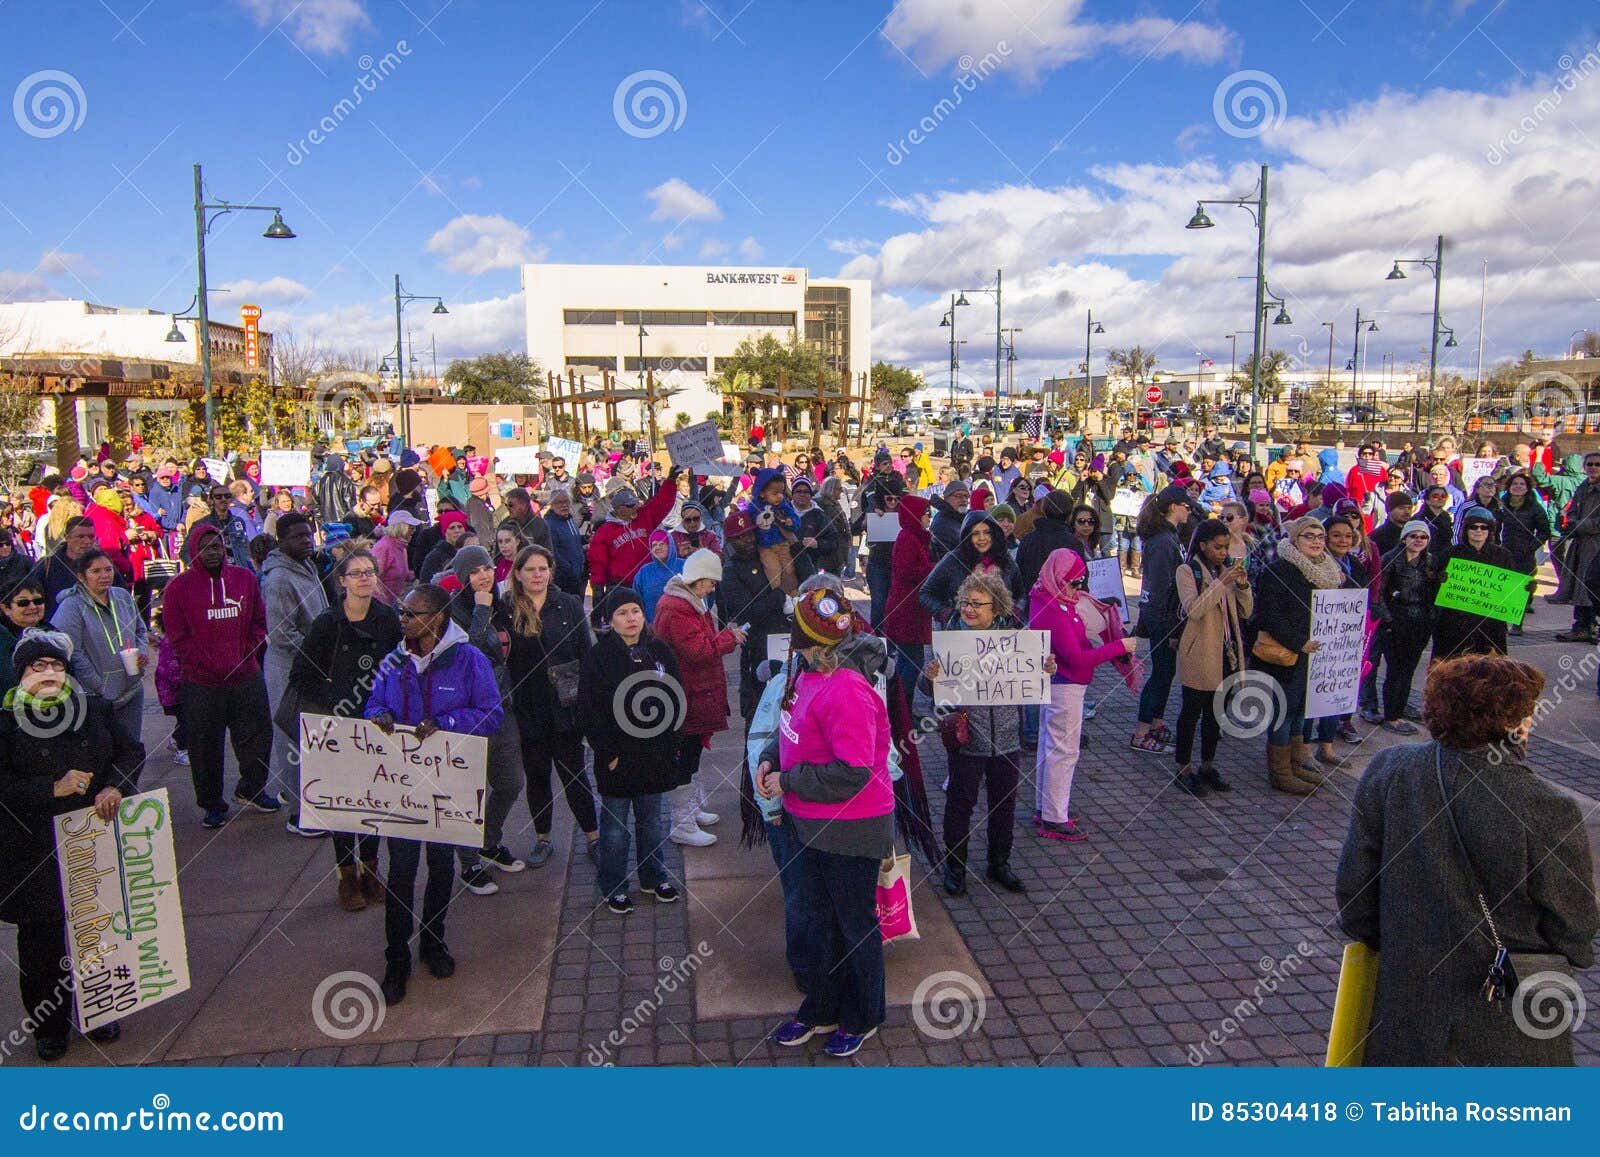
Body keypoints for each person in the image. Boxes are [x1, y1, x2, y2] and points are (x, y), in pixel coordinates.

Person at [1336, 654, 1599, 1065]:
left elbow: (1355, 901)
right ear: (1513, 724)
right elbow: (1575, 929)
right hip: (1506, 1025)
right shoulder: (1547, 806)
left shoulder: (1390, 770)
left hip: (1405, 1014)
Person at [757, 589, 892, 1059]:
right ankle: (822, 1005)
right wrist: (772, 755)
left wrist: (787, 779)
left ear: (805, 639)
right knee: (819, 922)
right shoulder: (807, 675)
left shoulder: (848, 689)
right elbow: (789, 727)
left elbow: (853, 772)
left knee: (854, 925)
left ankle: (864, 1013)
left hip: (850, 828)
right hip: (807, 821)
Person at [0, 628, 141, 1061]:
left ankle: (101, 1009)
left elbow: (129, 751)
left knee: (95, 927)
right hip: (32, 845)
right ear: (21, 675)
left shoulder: (92, 709)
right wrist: (52, 788)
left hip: (90, 837)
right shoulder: (5, 722)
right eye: (37, 667)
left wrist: (115, 787)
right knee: (41, 938)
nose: (49, 674)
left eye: (56, 666)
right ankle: (49, 1024)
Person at [364, 583, 503, 1006]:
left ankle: (433, 942)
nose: (402, 619)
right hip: (402, 787)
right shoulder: (393, 660)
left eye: (411, 613)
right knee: (402, 871)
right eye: (402, 612)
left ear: (437, 618)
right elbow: (370, 704)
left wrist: (448, 722)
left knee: (441, 868)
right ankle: (396, 958)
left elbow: (492, 714)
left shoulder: (469, 660)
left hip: (447, 786)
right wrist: (378, 716)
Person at [290, 549, 400, 910]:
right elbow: (301, 675)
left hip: (376, 722)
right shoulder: (328, 622)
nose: (365, 578)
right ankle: (346, 876)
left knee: (371, 799)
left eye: (370, 572)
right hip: (335, 723)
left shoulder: (387, 618)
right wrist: (335, 697)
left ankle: (371, 870)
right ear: (341, 581)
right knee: (342, 803)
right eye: (356, 573)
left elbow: (398, 666)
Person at [923, 571, 1042, 895]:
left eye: (977, 604)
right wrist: (930, 676)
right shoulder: (950, 637)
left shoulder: (1015, 637)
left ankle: (999, 863)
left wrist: (1046, 668)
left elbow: (1030, 679)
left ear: (997, 607)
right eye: (965, 602)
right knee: (960, 806)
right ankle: (955, 867)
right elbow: (928, 690)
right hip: (966, 740)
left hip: (1006, 739)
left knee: (1004, 805)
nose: (969, 609)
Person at [162, 523, 277, 826]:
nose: (212, 552)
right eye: (204, 547)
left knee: (257, 736)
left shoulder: (244, 579)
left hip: (245, 675)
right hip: (202, 682)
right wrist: (204, 664)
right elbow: (177, 636)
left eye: (216, 546)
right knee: (205, 746)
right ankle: (212, 804)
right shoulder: (177, 588)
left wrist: (246, 655)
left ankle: (252, 789)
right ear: (193, 551)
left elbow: (258, 622)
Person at [579, 586, 684, 914]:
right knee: (615, 827)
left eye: (635, 612)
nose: (630, 619)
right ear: (610, 620)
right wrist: (608, 752)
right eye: (622, 613)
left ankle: (653, 877)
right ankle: (613, 885)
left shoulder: (660, 651)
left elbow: (677, 697)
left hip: (655, 756)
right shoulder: (598, 657)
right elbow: (590, 710)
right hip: (617, 759)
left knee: (653, 821)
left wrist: (672, 746)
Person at [1030, 549, 1139, 840]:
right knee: (1063, 752)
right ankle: (1054, 817)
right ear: (1059, 578)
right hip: (1065, 686)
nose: (1079, 589)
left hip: (1061, 685)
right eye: (1074, 582)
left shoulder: (1048, 598)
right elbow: (1077, 658)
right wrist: (1119, 648)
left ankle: (1046, 808)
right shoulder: (1053, 609)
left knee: (1050, 748)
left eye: (1081, 582)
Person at [504, 544, 601, 868]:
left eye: (542, 568)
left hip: (566, 705)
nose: (537, 575)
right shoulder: (506, 608)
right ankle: (543, 837)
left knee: (575, 775)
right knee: (537, 776)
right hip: (528, 707)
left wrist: (590, 702)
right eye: (530, 569)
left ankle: (593, 835)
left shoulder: (568, 605)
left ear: (551, 571)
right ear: (518, 573)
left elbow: (586, 653)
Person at [653, 548, 745, 845]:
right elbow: (698, 651)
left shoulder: (687, 601)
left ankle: (691, 809)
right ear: (697, 579)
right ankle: (681, 822)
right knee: (686, 754)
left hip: (694, 689)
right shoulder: (679, 607)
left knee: (692, 751)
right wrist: (730, 638)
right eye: (710, 582)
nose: (713, 587)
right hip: (688, 691)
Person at [1251, 517, 1343, 795]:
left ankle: (1294, 764)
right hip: (1285, 654)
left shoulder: (1327, 570)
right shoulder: (1279, 570)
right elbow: (1270, 614)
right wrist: (1299, 642)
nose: (1316, 541)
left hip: (1312, 653)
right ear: (1294, 540)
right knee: (1284, 712)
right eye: (1309, 536)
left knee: (1301, 711)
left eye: (1320, 536)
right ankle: (1280, 772)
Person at [260, 513, 330, 833]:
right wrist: (317, 653)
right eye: (298, 537)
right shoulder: (277, 579)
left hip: (310, 664)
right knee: (290, 739)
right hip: (288, 668)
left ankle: (308, 799)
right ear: (281, 540)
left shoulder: (306, 564)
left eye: (308, 535)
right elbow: (281, 633)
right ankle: (298, 814)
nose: (306, 541)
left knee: (311, 737)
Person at [1171, 521, 1251, 797]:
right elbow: (1194, 609)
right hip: (1201, 652)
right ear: (1203, 545)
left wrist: (1242, 586)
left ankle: (1207, 765)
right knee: (1192, 712)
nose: (1222, 552)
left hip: (1226, 652)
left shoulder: (1223, 571)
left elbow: (1246, 611)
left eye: (1226, 547)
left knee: (1216, 715)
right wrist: (1222, 582)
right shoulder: (1187, 570)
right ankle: (1183, 766)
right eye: (1217, 547)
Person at [50, 548, 148, 743]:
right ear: (81, 576)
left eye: (108, 569)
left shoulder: (122, 596)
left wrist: (142, 652)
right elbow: (71, 652)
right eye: (96, 571)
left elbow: (140, 630)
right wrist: (98, 685)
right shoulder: (71, 606)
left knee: (131, 749)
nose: (104, 576)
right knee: (104, 753)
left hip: (132, 689)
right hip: (96, 697)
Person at [1130, 486, 1191, 755]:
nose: (1189, 509)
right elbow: (1161, 586)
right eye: (1185, 505)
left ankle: (1156, 723)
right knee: (1160, 674)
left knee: (1166, 675)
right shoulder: (1163, 541)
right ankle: (1141, 732)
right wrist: (1169, 624)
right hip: (1164, 618)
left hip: (1165, 616)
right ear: (1172, 507)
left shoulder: (1169, 536)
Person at [717, 510, 788, 722]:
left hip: (786, 641)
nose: (745, 541)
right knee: (759, 713)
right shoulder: (730, 571)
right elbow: (746, 613)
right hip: (758, 648)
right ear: (730, 541)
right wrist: (779, 596)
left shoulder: (769, 556)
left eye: (748, 534)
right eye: (738, 537)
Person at [587, 469, 680, 623]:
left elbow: (662, 503)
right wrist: (598, 590)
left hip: (647, 582)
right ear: (618, 509)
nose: (635, 507)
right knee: (629, 623)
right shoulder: (605, 531)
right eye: (630, 505)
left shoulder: (644, 516)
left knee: (652, 620)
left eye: (636, 503)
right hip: (621, 586)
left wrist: (670, 481)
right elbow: (598, 562)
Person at [1374, 519, 1436, 734]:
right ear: (1404, 538)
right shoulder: (1391, 559)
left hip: (1419, 621)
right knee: (1395, 669)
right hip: (1396, 619)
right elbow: (1378, 592)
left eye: (1423, 537)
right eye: (1414, 536)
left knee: (1408, 669)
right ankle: (1392, 715)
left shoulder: (1428, 562)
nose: (1418, 540)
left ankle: (1399, 709)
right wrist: (1387, 620)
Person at [1431, 505, 1513, 660]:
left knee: (1489, 672)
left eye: (1484, 527)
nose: (1478, 531)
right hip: (1455, 624)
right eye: (1473, 527)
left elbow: (1510, 588)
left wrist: (1525, 588)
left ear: (1490, 531)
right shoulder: (1450, 554)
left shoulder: (1502, 555)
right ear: (1466, 529)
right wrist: (1438, 579)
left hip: (1490, 625)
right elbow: (1432, 585)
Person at [881, 494, 935, 708]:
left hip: (911, 609)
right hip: (907, 611)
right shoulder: (908, 539)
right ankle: (902, 709)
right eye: (925, 514)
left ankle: (903, 707)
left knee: (909, 662)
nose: (928, 518)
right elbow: (906, 572)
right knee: (911, 664)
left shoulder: (914, 537)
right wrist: (933, 569)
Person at [1554, 452, 1600, 641]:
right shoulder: (1583, 485)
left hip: (1595, 543)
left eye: (1597, 464)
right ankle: (1580, 626)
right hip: (1580, 542)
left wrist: (1581, 525)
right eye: (1589, 464)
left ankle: (1591, 625)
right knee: (1579, 584)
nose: (1593, 467)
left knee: (1591, 583)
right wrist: (1571, 522)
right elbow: (1572, 510)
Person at [1498, 471, 1550, 635]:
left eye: (1522, 484)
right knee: (1503, 587)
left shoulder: (1534, 507)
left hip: (1524, 555)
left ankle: (1517, 624)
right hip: (1503, 551)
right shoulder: (1501, 505)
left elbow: (1544, 531)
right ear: (1509, 487)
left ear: (1528, 488)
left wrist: (1531, 547)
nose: (1518, 487)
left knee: (1521, 589)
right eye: (1515, 484)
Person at [28, 515, 97, 619]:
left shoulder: (104, 565)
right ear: (67, 537)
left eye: (91, 537)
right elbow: (31, 597)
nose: (87, 541)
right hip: (55, 626)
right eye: (81, 536)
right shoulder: (47, 565)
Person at [0, 577, 48, 693]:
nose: (32, 607)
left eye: (38, 601)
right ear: (5, 608)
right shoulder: (3, 638)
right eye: (23, 603)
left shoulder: (54, 634)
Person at [543, 487, 589, 598]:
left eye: (566, 501)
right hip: (563, 579)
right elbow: (553, 552)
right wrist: (569, 569)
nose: (564, 505)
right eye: (559, 502)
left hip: (578, 575)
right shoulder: (549, 524)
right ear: (552, 504)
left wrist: (585, 539)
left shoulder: (569, 519)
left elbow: (572, 539)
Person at [633, 530, 684, 624]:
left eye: (662, 544)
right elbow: (636, 599)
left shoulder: (684, 566)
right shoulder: (644, 571)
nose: (658, 548)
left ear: (670, 546)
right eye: (654, 545)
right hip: (654, 627)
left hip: (683, 625)